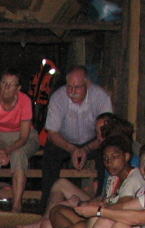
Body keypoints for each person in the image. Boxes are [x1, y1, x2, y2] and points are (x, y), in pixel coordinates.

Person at [39, 65, 113, 209]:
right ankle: (46, 205)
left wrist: (86, 148)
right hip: (65, 140)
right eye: (69, 87)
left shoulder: (100, 97)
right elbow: (52, 132)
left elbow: (106, 132)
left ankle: (100, 201)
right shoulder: (58, 98)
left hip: (94, 140)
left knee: (106, 154)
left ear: (87, 84)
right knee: (49, 156)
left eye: (77, 87)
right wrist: (72, 149)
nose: (72, 92)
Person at [0, 70, 40, 213]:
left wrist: (7, 151)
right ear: (0, 84)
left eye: (11, 85)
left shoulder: (24, 101)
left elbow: (24, 137)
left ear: (18, 88)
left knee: (18, 155)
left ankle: (17, 204)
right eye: (4, 83)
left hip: (22, 136)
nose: (7, 87)